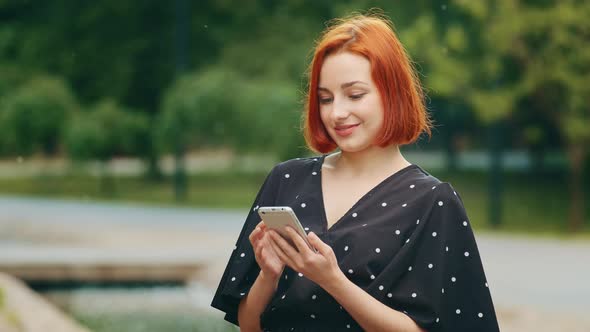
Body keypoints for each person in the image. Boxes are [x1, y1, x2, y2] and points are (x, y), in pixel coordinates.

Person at [211, 13, 500, 332]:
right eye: (325, 98)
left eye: (355, 95)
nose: (336, 113)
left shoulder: (433, 201)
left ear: (393, 92)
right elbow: (249, 327)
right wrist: (268, 275)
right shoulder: (286, 180)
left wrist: (334, 282)